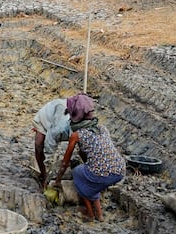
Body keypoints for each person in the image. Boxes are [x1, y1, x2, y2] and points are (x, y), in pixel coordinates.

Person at [52, 94, 126, 222]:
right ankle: (100, 215)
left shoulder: (77, 135)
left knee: (78, 174)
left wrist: (58, 180)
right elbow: (91, 153)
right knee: (91, 178)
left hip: (102, 173)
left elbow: (65, 161)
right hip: (119, 170)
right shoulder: (102, 128)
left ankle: (90, 214)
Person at [32, 98, 71, 188]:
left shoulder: (79, 120)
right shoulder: (58, 127)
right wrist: (49, 162)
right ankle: (43, 175)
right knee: (39, 145)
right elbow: (50, 141)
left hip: (60, 126)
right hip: (44, 120)